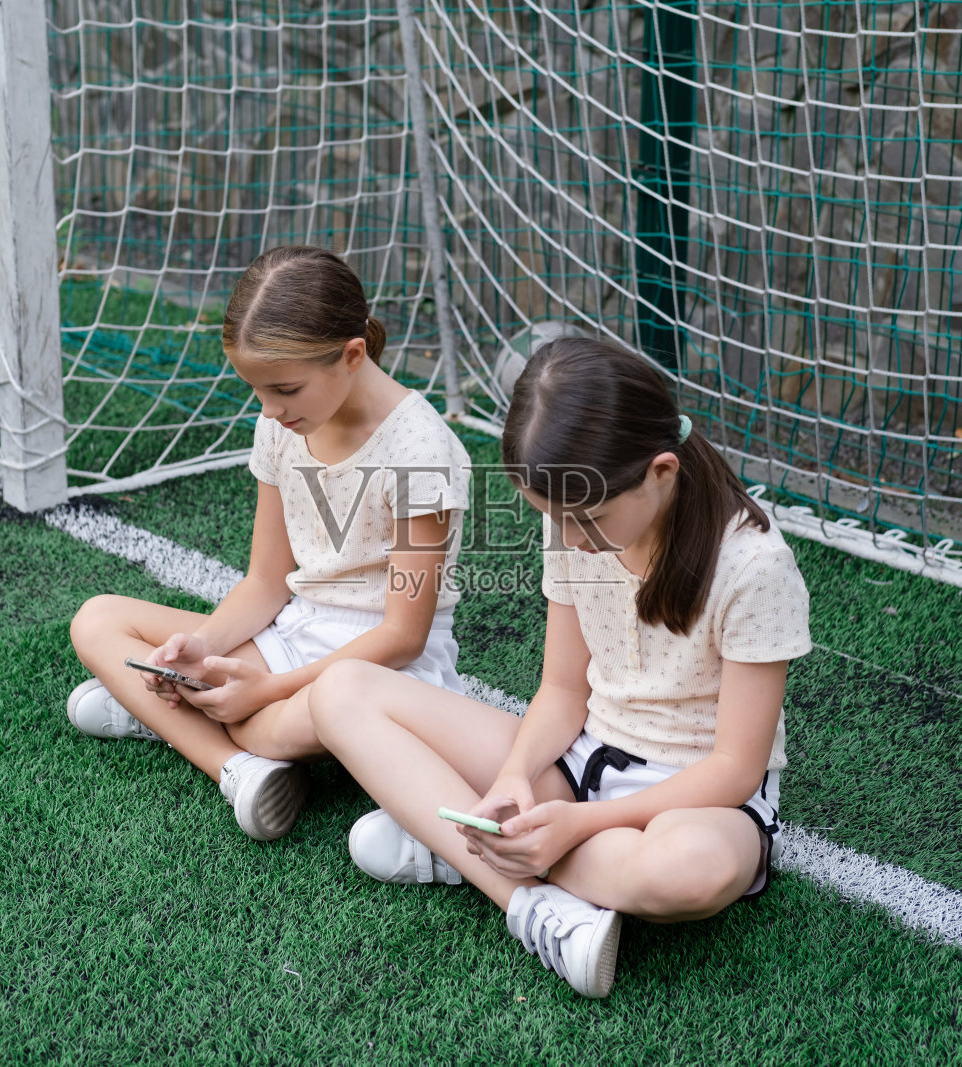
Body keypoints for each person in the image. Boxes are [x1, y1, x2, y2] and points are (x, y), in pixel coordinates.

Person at [308, 338, 810, 997]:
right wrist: (517, 775)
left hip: (699, 802)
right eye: (554, 518)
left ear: (661, 471)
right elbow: (563, 688)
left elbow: (735, 768)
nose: (570, 539)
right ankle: (534, 902)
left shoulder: (753, 564)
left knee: (692, 870)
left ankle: (470, 846)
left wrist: (576, 826)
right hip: (579, 761)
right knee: (342, 689)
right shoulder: (574, 514)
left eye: (589, 519)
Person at [67, 245, 470, 841]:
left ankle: (212, 731)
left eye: (284, 389)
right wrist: (196, 650)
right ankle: (238, 769)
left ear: (352, 355)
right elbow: (264, 582)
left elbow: (403, 636)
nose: (270, 410)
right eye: (257, 391)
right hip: (297, 632)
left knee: (263, 724)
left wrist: (266, 690)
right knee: (97, 619)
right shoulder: (279, 429)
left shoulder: (421, 455)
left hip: (382, 669)